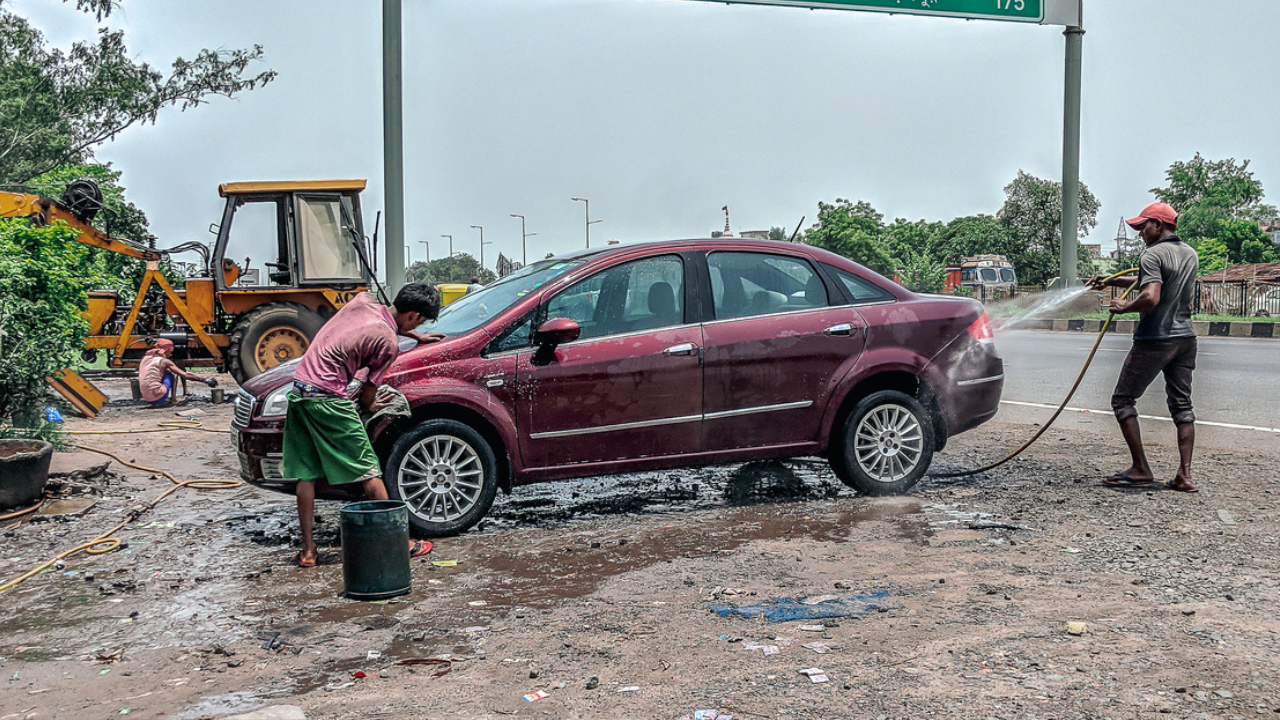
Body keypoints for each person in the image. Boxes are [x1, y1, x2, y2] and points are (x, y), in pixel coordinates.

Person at [282, 284, 444, 567]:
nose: (420, 325)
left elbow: (374, 326)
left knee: (305, 474)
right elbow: (370, 390)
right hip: (328, 398)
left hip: (299, 390)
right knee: (369, 471)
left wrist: (415, 335)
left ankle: (309, 551)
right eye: (421, 320)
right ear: (415, 315)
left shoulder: (363, 301)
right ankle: (401, 543)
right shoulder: (389, 345)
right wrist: (370, 406)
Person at [1088, 202, 1199, 493]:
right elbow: (1148, 280)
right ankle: (1184, 476)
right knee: (1182, 406)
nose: (1140, 233)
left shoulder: (1151, 254)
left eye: (1143, 226)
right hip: (1186, 339)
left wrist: (1124, 307)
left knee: (1122, 400)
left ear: (1159, 225)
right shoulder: (1189, 253)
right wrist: (1111, 281)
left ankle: (1140, 469)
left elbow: (1150, 295)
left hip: (1155, 339)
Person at [137, 338, 215, 406]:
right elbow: (184, 375)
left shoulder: (146, 358)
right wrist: (204, 380)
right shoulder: (165, 362)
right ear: (165, 351)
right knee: (173, 373)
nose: (171, 355)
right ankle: (174, 400)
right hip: (159, 398)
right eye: (170, 352)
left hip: (146, 397)